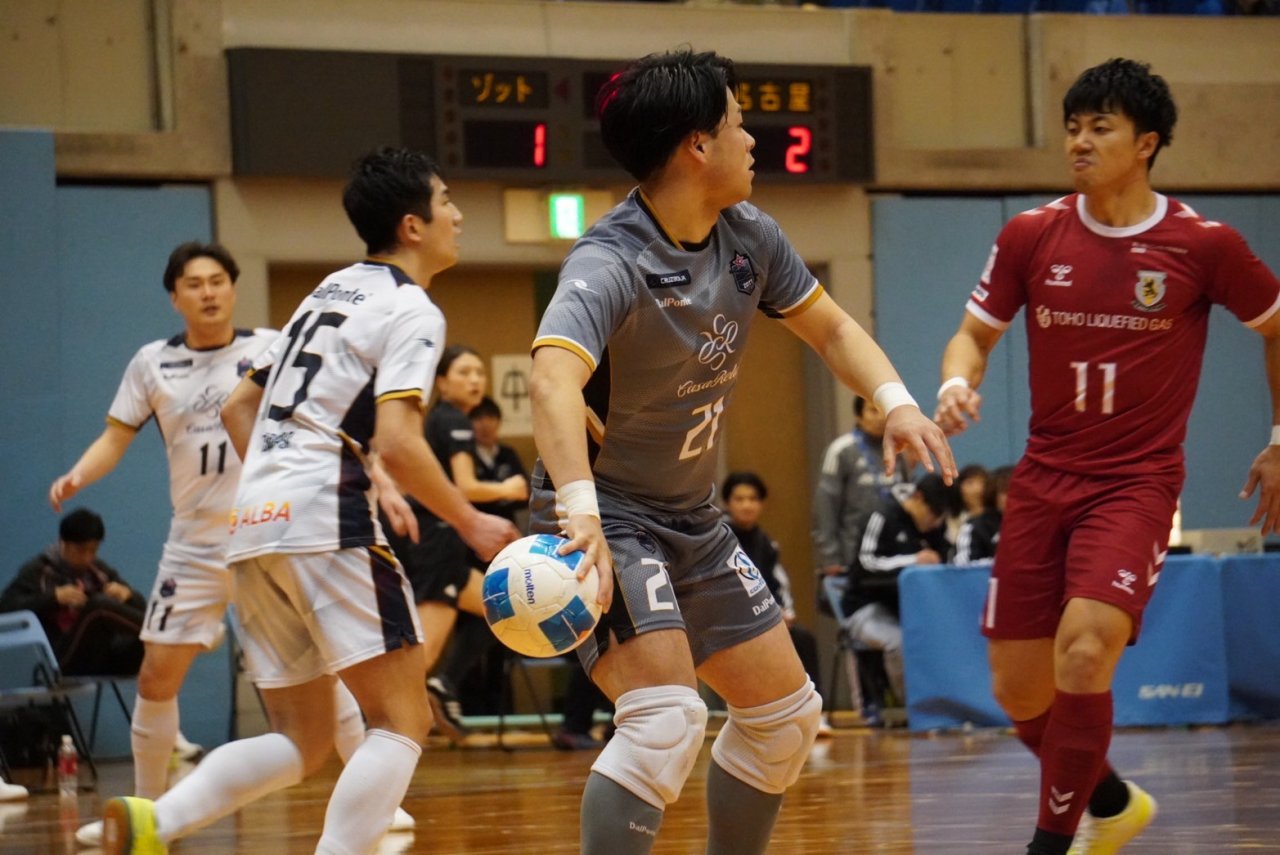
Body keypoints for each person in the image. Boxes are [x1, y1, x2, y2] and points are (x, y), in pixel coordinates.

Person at [527, 48, 954, 854]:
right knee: (664, 719)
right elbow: (551, 379)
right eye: (738, 123)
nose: (753, 140)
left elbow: (830, 327)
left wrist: (895, 401)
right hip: (606, 516)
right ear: (698, 143)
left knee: (786, 720)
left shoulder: (750, 235)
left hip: (693, 518)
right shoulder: (610, 259)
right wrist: (579, 511)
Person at [99, 147, 519, 855]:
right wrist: (471, 519)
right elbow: (400, 443)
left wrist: (279, 481)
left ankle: (154, 822)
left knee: (303, 737)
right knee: (403, 718)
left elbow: (239, 404)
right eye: (447, 201)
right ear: (413, 225)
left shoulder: (331, 288)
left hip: (253, 524)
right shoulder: (410, 307)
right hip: (328, 517)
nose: (458, 215)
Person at [934, 58, 1280, 855]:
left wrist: (1278, 440)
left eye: (1101, 128)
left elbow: (1275, 327)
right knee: (1017, 688)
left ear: (1146, 143)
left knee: (1087, 649)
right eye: (1072, 127)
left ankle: (1049, 846)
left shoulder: (1204, 244)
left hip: (1136, 483)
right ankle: (1115, 800)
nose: (1080, 142)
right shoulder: (1031, 233)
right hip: (1043, 478)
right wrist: (955, 382)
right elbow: (973, 336)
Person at [47, 241, 278, 846]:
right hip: (194, 544)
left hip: (267, 532)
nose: (208, 292)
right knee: (155, 678)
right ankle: (145, 812)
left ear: (233, 288)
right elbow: (114, 438)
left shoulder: (271, 347)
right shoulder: (152, 362)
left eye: (218, 280)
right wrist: (78, 475)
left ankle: (381, 803)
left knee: (319, 669)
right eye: (194, 284)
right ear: (175, 297)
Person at [383, 347, 530, 742]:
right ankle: (379, 726)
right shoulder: (453, 421)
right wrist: (509, 487)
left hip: (432, 539)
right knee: (424, 650)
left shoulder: (439, 420)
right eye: (464, 372)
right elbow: (465, 487)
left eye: (479, 372)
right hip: (437, 541)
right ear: (442, 382)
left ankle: (443, 684)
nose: (475, 380)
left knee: (500, 606)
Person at [839, 474, 953, 714]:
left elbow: (946, 559)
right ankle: (915, 709)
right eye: (933, 514)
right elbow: (865, 563)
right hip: (865, 608)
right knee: (898, 642)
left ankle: (947, 704)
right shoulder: (882, 516)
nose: (935, 523)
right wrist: (913, 560)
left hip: (909, 609)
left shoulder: (935, 528)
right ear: (918, 498)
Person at [720, 472, 825, 727]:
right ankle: (751, 715)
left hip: (766, 617)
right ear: (727, 503)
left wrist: (785, 612)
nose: (747, 505)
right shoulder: (718, 538)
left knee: (803, 638)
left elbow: (779, 583)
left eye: (753, 499)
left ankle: (814, 714)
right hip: (729, 620)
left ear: (762, 503)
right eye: (739, 499)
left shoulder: (766, 543)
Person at [1, 508, 145, 677]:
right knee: (99, 607)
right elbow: (6, 608)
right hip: (61, 659)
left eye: (93, 550)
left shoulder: (99, 570)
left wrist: (129, 596)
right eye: (81, 550)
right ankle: (164, 631)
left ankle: (163, 633)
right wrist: (54, 598)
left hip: (103, 657)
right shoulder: (38, 571)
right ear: (62, 542)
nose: (87, 558)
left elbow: (142, 609)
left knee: (151, 643)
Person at [811, 396, 909, 602]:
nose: (880, 417)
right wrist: (830, 556)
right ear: (859, 416)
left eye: (883, 411)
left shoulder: (898, 449)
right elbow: (825, 507)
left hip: (891, 557)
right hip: (851, 555)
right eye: (873, 410)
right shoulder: (841, 450)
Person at [953, 465, 1012, 565]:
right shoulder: (974, 527)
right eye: (1005, 492)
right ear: (994, 494)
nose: (1012, 496)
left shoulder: (1031, 523)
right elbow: (963, 566)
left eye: (1017, 491)